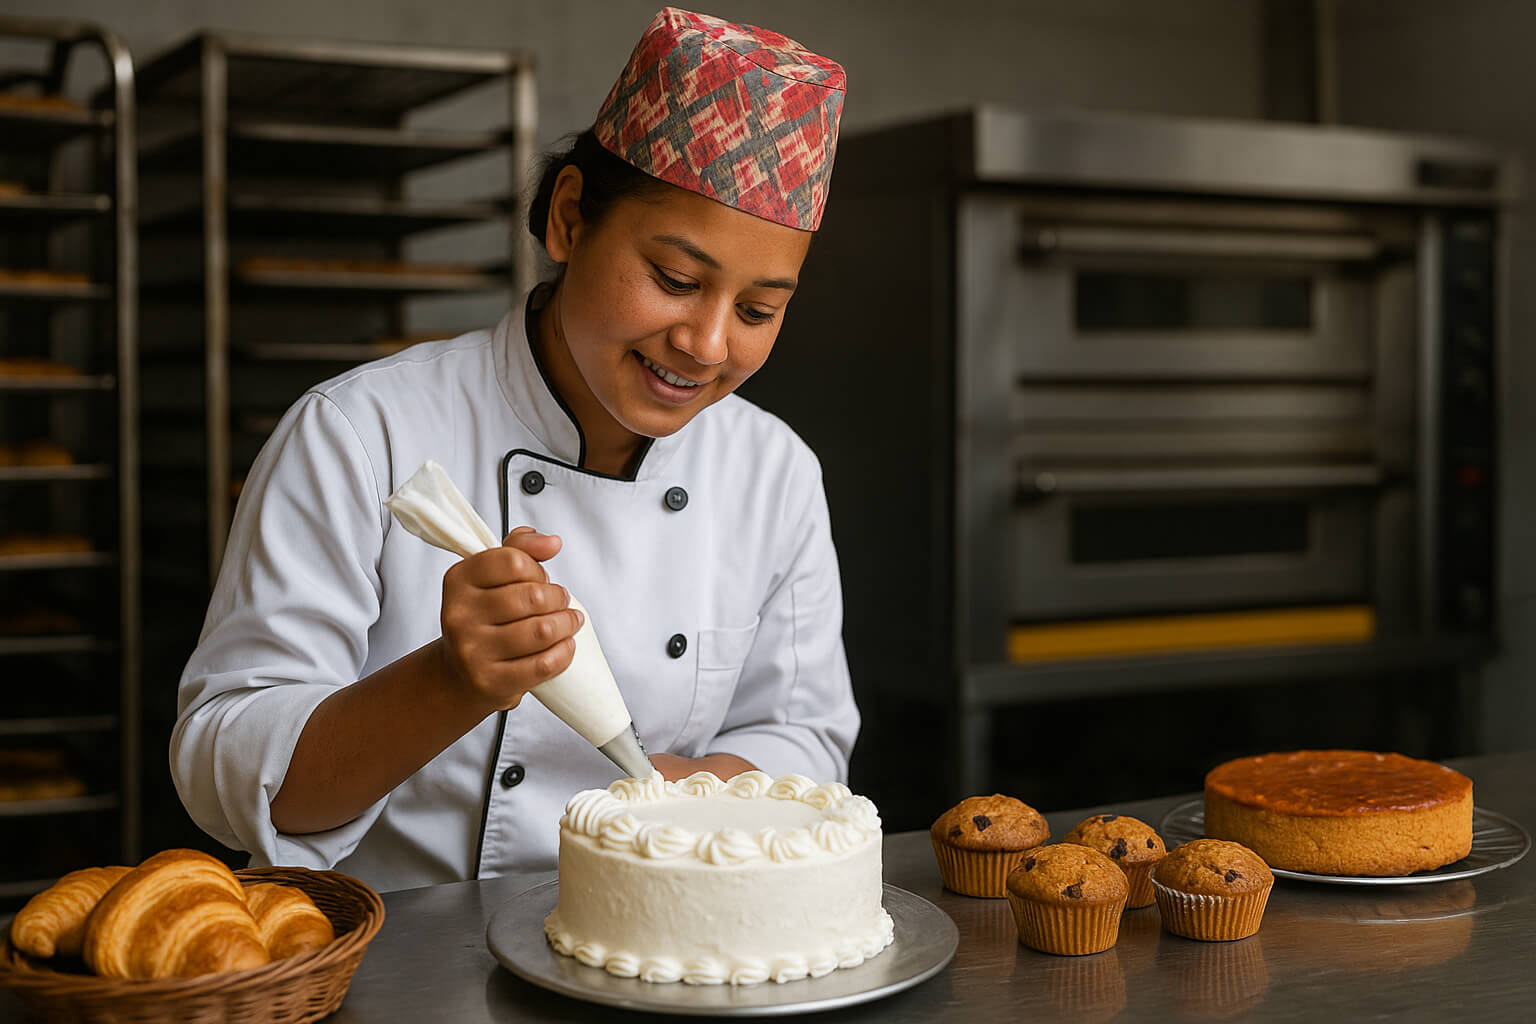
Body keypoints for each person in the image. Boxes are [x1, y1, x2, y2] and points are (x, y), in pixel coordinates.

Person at [170, 7, 857, 892]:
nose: (709, 343)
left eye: (759, 310)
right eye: (677, 281)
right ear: (569, 218)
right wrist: (449, 681)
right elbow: (221, 774)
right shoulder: (360, 433)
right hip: (399, 968)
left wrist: (696, 798)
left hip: (660, 947)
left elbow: (802, 737)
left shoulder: (774, 474)